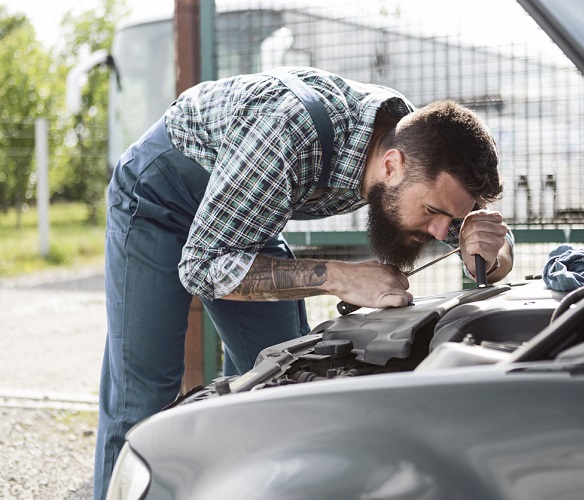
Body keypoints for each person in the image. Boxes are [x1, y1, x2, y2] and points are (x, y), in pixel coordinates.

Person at [94, 66, 513, 498]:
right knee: (142, 395)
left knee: (275, 382)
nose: (439, 230)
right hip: (160, 200)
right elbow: (203, 265)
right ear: (391, 165)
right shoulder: (287, 130)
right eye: (432, 212)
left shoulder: (424, 150)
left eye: (451, 217)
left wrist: (491, 253)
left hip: (247, 211)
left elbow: (492, 236)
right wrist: (340, 277)